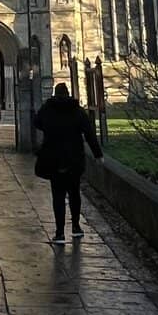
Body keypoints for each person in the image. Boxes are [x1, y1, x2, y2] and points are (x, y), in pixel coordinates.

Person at [34, 82, 102, 243]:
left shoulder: (48, 109)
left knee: (58, 195)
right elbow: (89, 133)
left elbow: (37, 122)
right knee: (74, 193)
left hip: (54, 158)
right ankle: (76, 227)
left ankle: (59, 233)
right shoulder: (77, 111)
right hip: (74, 159)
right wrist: (98, 154)